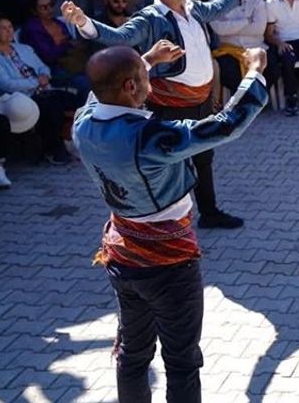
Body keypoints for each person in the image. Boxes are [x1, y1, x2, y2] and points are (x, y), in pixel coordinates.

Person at [74, 43, 268, 403]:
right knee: (181, 360)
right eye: (146, 78)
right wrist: (254, 73)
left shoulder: (83, 122)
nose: (151, 84)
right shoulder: (149, 137)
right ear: (131, 87)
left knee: (132, 353)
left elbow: (101, 88)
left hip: (121, 255)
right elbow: (224, 126)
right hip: (167, 263)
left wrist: (146, 60)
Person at [62, 0, 253, 229]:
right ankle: (171, 218)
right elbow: (119, 38)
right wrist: (84, 22)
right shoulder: (149, 18)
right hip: (170, 103)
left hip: (201, 99)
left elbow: (216, 8)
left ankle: (209, 212)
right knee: (172, 161)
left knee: (204, 156)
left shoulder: (193, 7)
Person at [0, 13, 81, 164]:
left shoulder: (23, 49)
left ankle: (71, 141)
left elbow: (42, 67)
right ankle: (53, 151)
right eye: (3, 28)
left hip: (42, 90)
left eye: (10, 27)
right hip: (18, 99)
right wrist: (36, 82)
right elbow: (7, 84)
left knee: (77, 100)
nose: (9, 31)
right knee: (49, 107)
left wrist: (44, 76)